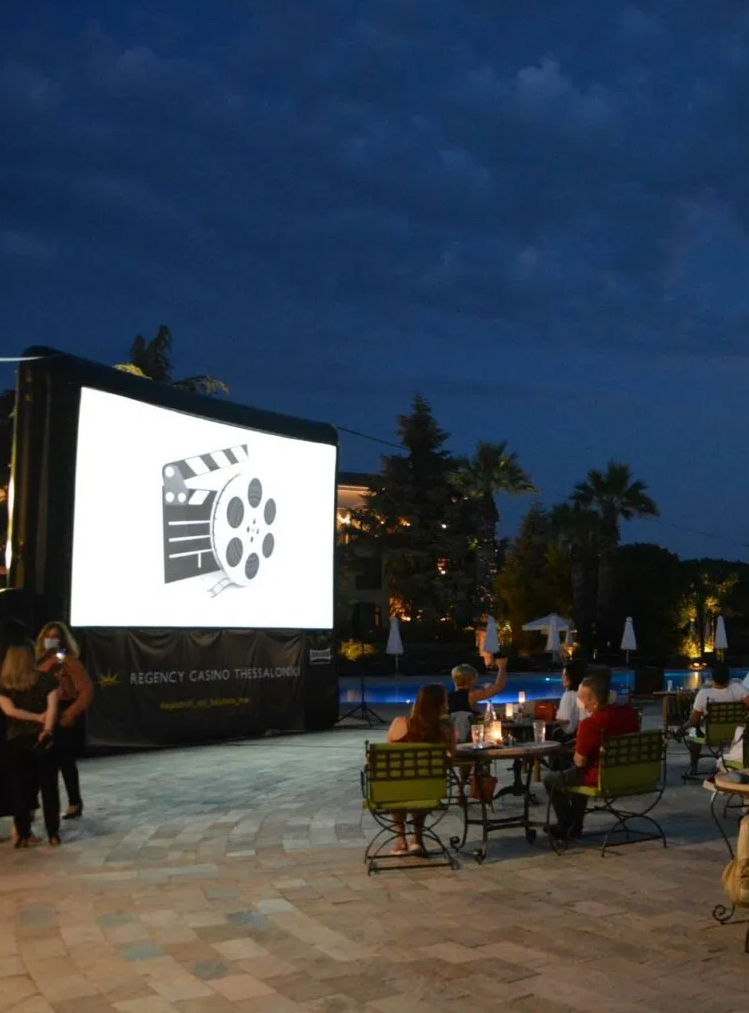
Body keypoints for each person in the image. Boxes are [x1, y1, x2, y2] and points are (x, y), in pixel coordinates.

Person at [543, 669, 639, 840]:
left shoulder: (591, 724)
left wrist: (575, 752)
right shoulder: (629, 714)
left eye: (581, 698)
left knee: (552, 779)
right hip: (631, 773)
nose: (578, 701)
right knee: (573, 773)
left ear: (594, 702)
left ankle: (565, 824)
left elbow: (580, 762)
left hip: (602, 777)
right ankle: (575, 825)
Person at [0, 643, 60, 847]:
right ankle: (53, 833)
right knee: (49, 787)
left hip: (16, 740)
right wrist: (46, 729)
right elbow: (53, 708)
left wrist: (33, 717)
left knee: (21, 787)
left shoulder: (4, 684)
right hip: (42, 739)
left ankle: (22, 834)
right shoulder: (47, 680)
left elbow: (10, 711)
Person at [386, 684, 456, 856]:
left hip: (395, 789)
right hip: (428, 790)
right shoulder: (446, 729)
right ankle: (417, 839)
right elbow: (451, 759)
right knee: (422, 782)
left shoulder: (400, 723)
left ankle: (401, 840)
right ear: (441, 705)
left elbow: (388, 755)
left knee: (399, 781)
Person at [35, 621, 92, 819]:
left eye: (55, 636)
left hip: (63, 711)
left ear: (63, 640)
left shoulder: (68, 661)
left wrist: (70, 714)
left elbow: (86, 691)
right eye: (48, 636)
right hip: (42, 714)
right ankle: (33, 807)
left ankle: (74, 802)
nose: (51, 640)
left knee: (66, 761)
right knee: (41, 763)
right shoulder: (38, 661)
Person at [685, 661, 749, 776]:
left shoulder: (704, 694)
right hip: (735, 734)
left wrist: (685, 726)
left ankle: (693, 767)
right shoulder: (739, 689)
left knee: (693, 731)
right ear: (728, 677)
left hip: (710, 735)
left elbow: (694, 721)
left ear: (712, 677)